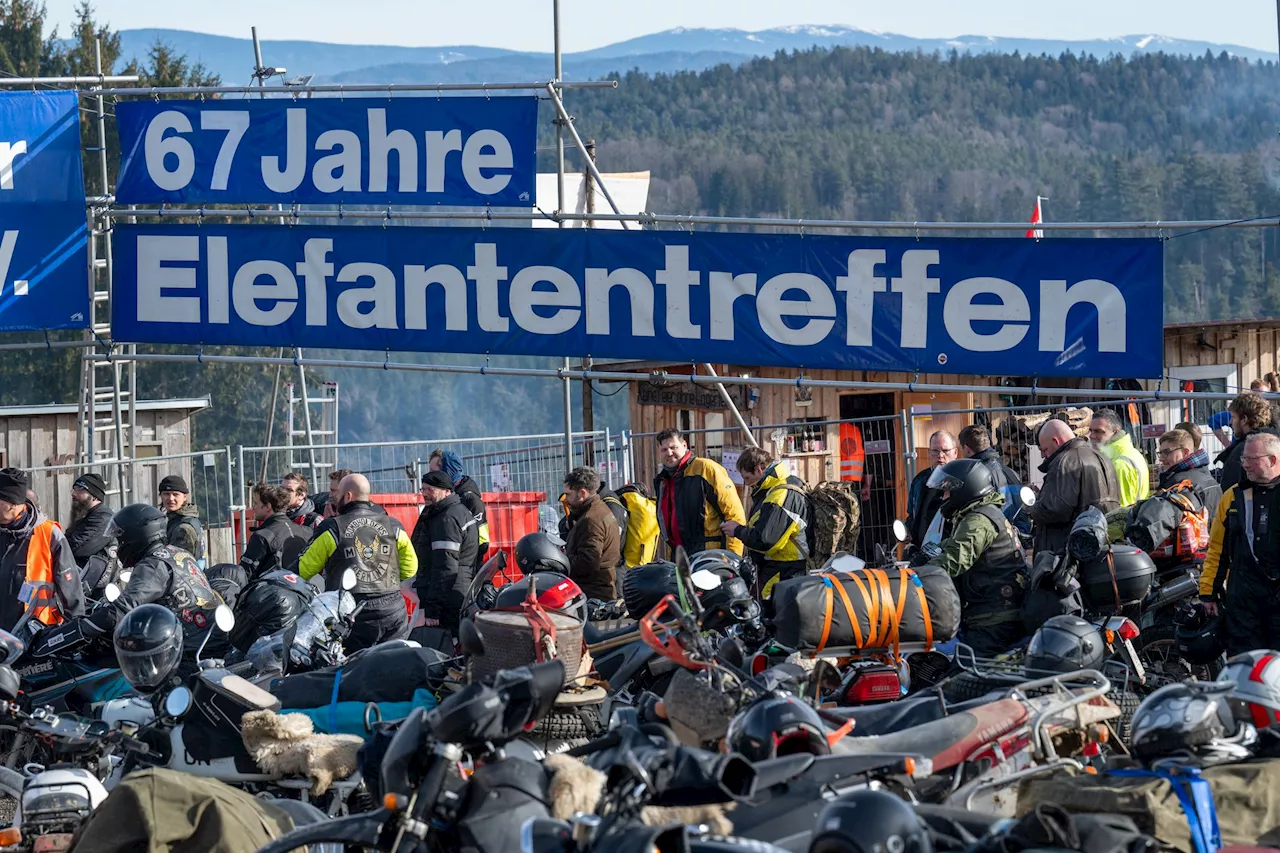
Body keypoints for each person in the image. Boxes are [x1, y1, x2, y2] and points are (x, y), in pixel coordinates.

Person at [299, 473, 417, 651]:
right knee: (393, 668)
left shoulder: (332, 528)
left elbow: (303, 569)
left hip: (351, 614)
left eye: (337, 494)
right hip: (392, 611)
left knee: (350, 671)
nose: (334, 498)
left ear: (348, 496)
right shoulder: (394, 525)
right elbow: (410, 567)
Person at [927, 459, 1029, 655]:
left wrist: (917, 576)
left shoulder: (979, 520)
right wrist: (925, 554)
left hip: (994, 618)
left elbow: (956, 559)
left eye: (948, 490)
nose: (943, 496)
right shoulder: (978, 514)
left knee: (961, 676)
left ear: (966, 488)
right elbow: (953, 545)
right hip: (988, 611)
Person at [99, 503, 220, 655]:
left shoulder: (152, 566)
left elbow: (123, 608)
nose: (118, 545)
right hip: (209, 635)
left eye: (120, 537)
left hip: (189, 649)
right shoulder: (176, 552)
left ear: (135, 536)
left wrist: (82, 626)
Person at [1201, 431, 1280, 655]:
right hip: (1243, 601)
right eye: (1243, 459)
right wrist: (1209, 593)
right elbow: (1217, 548)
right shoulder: (1232, 497)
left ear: (1272, 460)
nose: (1244, 465)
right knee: (1243, 667)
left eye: (1250, 459)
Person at [0, 468, 83, 634]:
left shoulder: (49, 535)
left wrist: (74, 630)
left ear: (13, 505)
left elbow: (70, 588)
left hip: (35, 634)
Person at [721, 447, 810, 601]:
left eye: (747, 478)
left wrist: (738, 530)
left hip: (785, 571)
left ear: (758, 469)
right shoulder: (775, 488)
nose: (746, 484)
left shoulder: (780, 495)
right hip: (780, 569)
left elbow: (767, 541)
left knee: (772, 618)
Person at [1028, 419, 1121, 555]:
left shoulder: (1064, 462)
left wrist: (1033, 507)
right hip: (1101, 545)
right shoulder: (1103, 459)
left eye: (1044, 449)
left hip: (1067, 553)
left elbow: (1053, 510)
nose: (1043, 455)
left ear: (1056, 441)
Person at [653, 428, 745, 556]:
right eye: (664, 450)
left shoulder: (706, 469)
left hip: (710, 556)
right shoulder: (663, 481)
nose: (669, 453)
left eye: (673, 447)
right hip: (679, 557)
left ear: (684, 445)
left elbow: (734, 514)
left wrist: (732, 560)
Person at [410, 470, 478, 636]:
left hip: (449, 598)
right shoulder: (451, 511)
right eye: (423, 489)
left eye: (430, 490)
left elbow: (445, 567)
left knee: (443, 648)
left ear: (447, 491)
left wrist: (434, 608)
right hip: (456, 590)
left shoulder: (446, 519)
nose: (425, 494)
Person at [560, 467, 621, 601]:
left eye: (568, 494)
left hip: (593, 594)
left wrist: (561, 562)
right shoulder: (600, 509)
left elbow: (588, 562)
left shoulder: (591, 520)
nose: (565, 499)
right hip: (601, 589)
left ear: (582, 493)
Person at [432, 449, 490, 569]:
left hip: (465, 570)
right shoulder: (441, 499)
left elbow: (482, 542)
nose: (431, 477)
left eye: (434, 472)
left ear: (447, 472)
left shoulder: (471, 500)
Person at [240, 483, 312, 577]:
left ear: (268, 507)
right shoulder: (307, 532)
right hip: (305, 588)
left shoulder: (262, 536)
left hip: (272, 589)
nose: (253, 507)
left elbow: (245, 574)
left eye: (256, 503)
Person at [957, 424, 1024, 523]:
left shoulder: (972, 477)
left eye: (961, 449)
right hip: (1016, 531)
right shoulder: (1010, 472)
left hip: (993, 532)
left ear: (966, 449)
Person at [1156, 428, 1222, 525]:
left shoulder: (1178, 484)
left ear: (1185, 452)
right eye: (1160, 453)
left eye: (1166, 452)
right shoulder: (1207, 476)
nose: (1161, 459)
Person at [1089, 408, 1150, 508]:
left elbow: (1120, 508)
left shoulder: (1119, 463)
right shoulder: (1131, 452)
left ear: (1115, 432)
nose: (1092, 435)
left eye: (1098, 431)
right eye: (1091, 430)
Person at [907, 430, 957, 548]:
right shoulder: (919, 480)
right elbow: (912, 514)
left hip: (948, 551)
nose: (940, 455)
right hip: (921, 549)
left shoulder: (962, 480)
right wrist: (908, 531)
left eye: (945, 451)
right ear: (929, 453)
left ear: (955, 452)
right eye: (935, 451)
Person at [1217, 392, 1273, 494]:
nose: (1230, 422)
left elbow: (1230, 490)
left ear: (1244, 419)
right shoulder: (1274, 441)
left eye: (1233, 417)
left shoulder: (1245, 450)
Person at [64, 473, 114, 568]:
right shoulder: (86, 516)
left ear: (94, 495)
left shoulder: (103, 518)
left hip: (92, 579)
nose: (73, 494)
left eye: (80, 489)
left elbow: (78, 548)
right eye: (74, 489)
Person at [158, 475, 204, 564]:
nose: (171, 499)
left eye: (175, 494)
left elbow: (179, 563)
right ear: (161, 496)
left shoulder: (183, 528)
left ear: (184, 497)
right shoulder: (179, 519)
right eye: (166, 494)